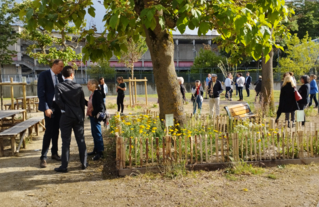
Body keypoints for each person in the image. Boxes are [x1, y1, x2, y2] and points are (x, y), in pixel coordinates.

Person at [54, 66, 88, 172]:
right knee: (81, 140)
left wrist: (66, 109)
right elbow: (82, 102)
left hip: (66, 117)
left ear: (63, 75)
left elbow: (58, 102)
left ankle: (64, 166)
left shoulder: (58, 86)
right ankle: (84, 163)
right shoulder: (78, 86)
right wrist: (82, 116)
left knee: (65, 142)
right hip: (78, 116)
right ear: (72, 74)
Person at [37, 59, 64, 168]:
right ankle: (43, 157)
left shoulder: (61, 76)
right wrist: (46, 108)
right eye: (60, 66)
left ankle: (54, 153)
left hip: (59, 107)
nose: (62, 69)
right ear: (54, 65)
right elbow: (41, 93)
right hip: (49, 106)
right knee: (49, 131)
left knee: (56, 130)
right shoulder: (44, 75)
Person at [87, 79, 106, 160]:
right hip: (92, 116)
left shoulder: (97, 93)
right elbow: (90, 104)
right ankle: (96, 149)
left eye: (89, 84)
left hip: (95, 116)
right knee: (94, 133)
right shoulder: (93, 93)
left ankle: (100, 152)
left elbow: (100, 106)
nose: (87, 86)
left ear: (94, 85)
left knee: (97, 133)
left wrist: (93, 113)